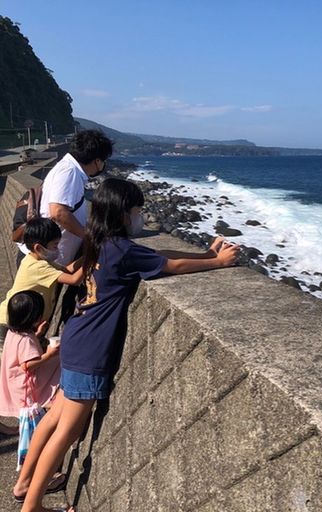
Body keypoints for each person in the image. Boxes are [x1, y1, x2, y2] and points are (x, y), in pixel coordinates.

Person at [14, 178, 239, 512]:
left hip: (76, 337)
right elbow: (168, 266)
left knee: (52, 420)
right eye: (137, 210)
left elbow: (156, 256)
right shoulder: (121, 250)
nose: (140, 216)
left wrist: (204, 252)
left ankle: (22, 484)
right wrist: (217, 263)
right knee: (66, 433)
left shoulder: (98, 242)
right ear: (122, 214)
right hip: (90, 352)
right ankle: (31, 506)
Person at [0, 218, 84, 349]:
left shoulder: (38, 260)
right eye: (55, 245)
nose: (58, 249)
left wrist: (84, 258)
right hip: (10, 324)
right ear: (39, 247)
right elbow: (74, 279)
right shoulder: (38, 267)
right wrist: (92, 258)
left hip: (22, 322)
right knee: (13, 365)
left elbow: (67, 270)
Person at [36, 129, 113, 266]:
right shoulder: (70, 171)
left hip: (51, 257)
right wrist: (88, 237)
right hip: (48, 260)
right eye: (103, 160)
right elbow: (58, 212)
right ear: (97, 160)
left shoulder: (68, 168)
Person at [0, 291, 61, 419]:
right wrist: (49, 354)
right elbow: (27, 365)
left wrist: (38, 333)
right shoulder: (25, 339)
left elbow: (20, 351)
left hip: (15, 380)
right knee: (59, 361)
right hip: (27, 383)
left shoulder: (13, 332)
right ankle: (49, 399)